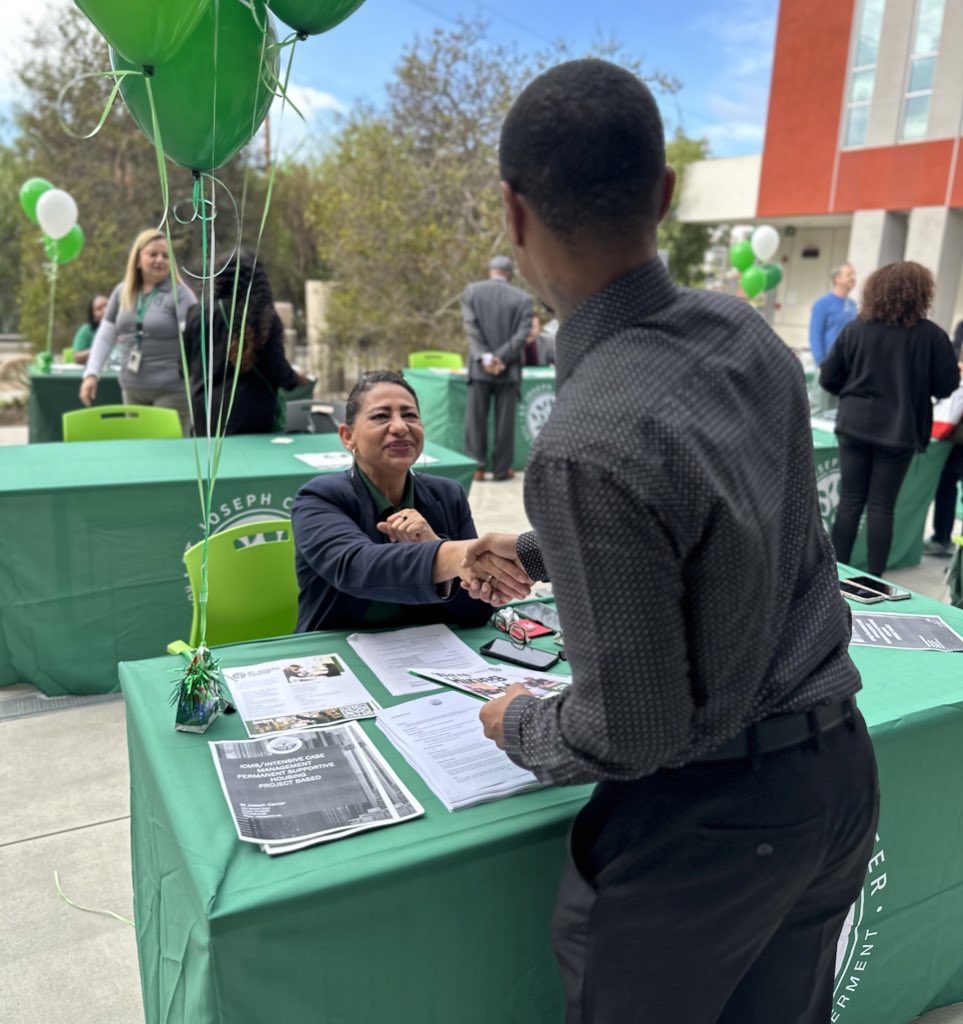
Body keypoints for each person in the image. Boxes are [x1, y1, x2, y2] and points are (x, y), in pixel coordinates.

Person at [459, 58, 880, 1024]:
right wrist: (538, 551)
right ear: (663, 193)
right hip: (835, 779)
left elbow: (631, 730)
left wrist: (517, 722)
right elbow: (727, 522)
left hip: (710, 825)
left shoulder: (585, 442)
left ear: (513, 212)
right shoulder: (744, 336)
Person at [291, 370, 527, 633]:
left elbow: (477, 611)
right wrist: (451, 555)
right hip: (338, 648)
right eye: (381, 416)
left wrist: (434, 543)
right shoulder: (319, 498)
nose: (400, 427)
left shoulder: (449, 495)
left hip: (430, 652)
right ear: (348, 437)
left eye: (410, 415)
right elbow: (356, 567)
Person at [820, 261, 959, 576]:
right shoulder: (931, 336)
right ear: (922, 294)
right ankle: (874, 581)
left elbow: (828, 378)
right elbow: (947, 385)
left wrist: (853, 395)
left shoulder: (856, 328)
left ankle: (834, 577)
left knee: (849, 502)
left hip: (853, 426)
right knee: (882, 507)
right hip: (899, 430)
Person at [79, 229, 196, 434]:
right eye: (153, 254)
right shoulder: (121, 292)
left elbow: (194, 338)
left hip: (171, 390)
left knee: (167, 449)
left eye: (165, 256)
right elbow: (105, 337)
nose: (160, 260)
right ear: (138, 259)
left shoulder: (181, 294)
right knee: (139, 449)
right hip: (132, 389)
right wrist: (91, 374)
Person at [182, 253, 310, 435]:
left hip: (205, 413)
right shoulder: (263, 317)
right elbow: (278, 370)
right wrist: (297, 379)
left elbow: (184, 366)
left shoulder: (197, 314)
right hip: (250, 416)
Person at [462, 255, 533, 481]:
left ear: (490, 271)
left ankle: (477, 468)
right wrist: (500, 358)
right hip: (508, 369)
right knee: (505, 423)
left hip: (479, 368)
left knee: (476, 420)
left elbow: (471, 327)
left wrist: (486, 357)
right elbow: (522, 335)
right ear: (510, 274)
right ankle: (502, 470)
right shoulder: (523, 298)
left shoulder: (472, 292)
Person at [924, 321, 963, 556]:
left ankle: (943, 539)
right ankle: (942, 538)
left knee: (948, 483)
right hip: (957, 433)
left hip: (957, 433)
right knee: (947, 483)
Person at [809, 263, 857, 415]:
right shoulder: (823, 304)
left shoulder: (853, 305)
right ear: (837, 279)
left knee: (837, 411)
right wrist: (821, 363)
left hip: (846, 369)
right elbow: (815, 335)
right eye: (849, 275)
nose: (853, 278)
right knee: (818, 409)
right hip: (826, 366)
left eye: (853, 275)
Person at [71, 294, 108, 366]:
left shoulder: (122, 327)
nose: (105, 310)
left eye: (107, 306)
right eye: (99, 308)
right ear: (93, 314)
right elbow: (76, 357)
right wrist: (98, 349)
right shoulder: (87, 330)